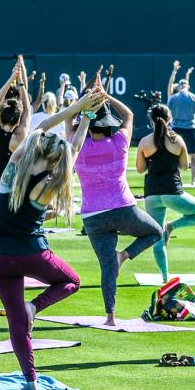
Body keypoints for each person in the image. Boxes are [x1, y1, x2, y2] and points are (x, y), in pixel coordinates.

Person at [0, 93, 103, 390]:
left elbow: (40, 130)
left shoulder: (12, 170)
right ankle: (34, 308)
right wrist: (87, 116)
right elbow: (75, 147)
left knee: (15, 322)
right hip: (32, 253)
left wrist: (78, 108)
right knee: (72, 281)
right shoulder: (50, 184)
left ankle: (30, 379)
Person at [72, 76, 162, 325]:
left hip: (92, 216)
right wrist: (105, 96)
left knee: (107, 266)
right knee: (156, 232)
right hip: (122, 207)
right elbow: (129, 115)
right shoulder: (119, 142)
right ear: (108, 125)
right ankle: (124, 256)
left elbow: (69, 120)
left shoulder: (77, 146)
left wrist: (86, 101)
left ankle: (110, 316)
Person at [136, 103, 195, 280]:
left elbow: (140, 169)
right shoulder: (177, 140)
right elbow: (185, 166)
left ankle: (165, 277)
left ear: (151, 120)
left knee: (158, 238)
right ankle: (172, 226)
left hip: (152, 194)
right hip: (172, 191)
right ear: (170, 119)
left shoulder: (144, 142)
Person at [0, 60, 32, 190]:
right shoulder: (19, 136)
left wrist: (11, 79)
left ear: (0, 115)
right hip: (17, 189)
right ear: (17, 121)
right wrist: (20, 82)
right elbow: (27, 109)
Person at [167, 61, 195, 187]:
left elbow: (168, 115)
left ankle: (178, 180)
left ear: (179, 87)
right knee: (194, 156)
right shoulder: (194, 98)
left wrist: (177, 72)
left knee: (176, 155)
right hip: (190, 130)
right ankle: (193, 181)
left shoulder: (173, 98)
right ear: (188, 86)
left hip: (176, 129)